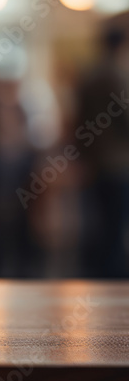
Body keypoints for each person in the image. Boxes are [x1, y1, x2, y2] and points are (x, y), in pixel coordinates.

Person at [76, 22, 129, 278]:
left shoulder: (90, 74)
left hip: (95, 162)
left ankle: (100, 274)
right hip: (118, 163)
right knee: (115, 225)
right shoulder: (116, 75)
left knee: (100, 222)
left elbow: (79, 121)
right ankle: (114, 276)